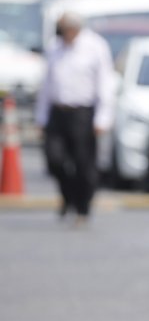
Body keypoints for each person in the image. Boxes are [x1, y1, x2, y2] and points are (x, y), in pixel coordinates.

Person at [35, 12, 115, 224]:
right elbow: (46, 85)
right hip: (57, 111)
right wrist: (41, 117)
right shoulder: (54, 47)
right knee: (54, 159)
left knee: (84, 163)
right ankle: (68, 196)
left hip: (83, 112)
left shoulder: (95, 46)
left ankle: (82, 207)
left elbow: (104, 84)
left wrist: (102, 117)